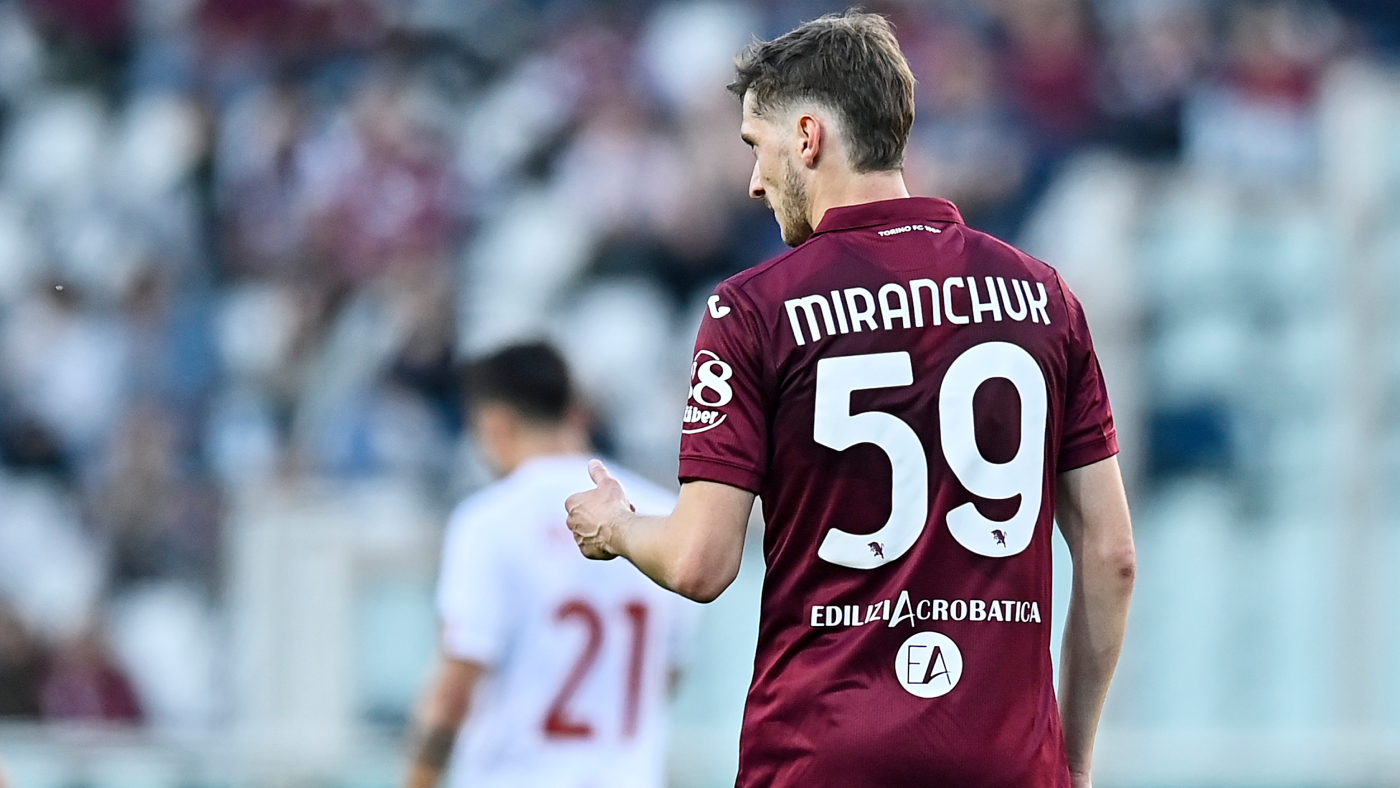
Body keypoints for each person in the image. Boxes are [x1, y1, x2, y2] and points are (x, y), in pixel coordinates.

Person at [564, 11, 1135, 788]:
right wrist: (1071, 760)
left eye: (756, 146)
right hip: (1006, 765)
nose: (754, 182)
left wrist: (618, 526)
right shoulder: (1044, 298)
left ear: (807, 137)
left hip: (820, 757)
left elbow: (700, 562)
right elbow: (1111, 554)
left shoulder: (753, 310)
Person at [405, 342, 695, 788]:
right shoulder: (662, 512)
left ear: (495, 424)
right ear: (577, 413)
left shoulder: (488, 521)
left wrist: (418, 778)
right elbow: (667, 675)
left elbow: (453, 692)